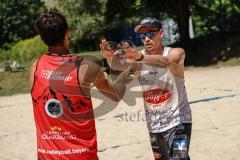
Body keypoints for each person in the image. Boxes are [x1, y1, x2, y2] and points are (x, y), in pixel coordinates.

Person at [29, 9, 132, 160]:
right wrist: (120, 73)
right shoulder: (85, 67)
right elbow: (116, 95)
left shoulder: (35, 68)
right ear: (67, 34)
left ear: (43, 37)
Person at [100, 17, 192, 160]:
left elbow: (167, 62)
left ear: (161, 33)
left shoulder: (176, 53)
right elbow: (118, 65)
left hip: (179, 122)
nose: (146, 39)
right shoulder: (138, 58)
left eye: (150, 34)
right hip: (154, 126)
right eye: (142, 36)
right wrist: (109, 58)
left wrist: (140, 57)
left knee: (178, 158)